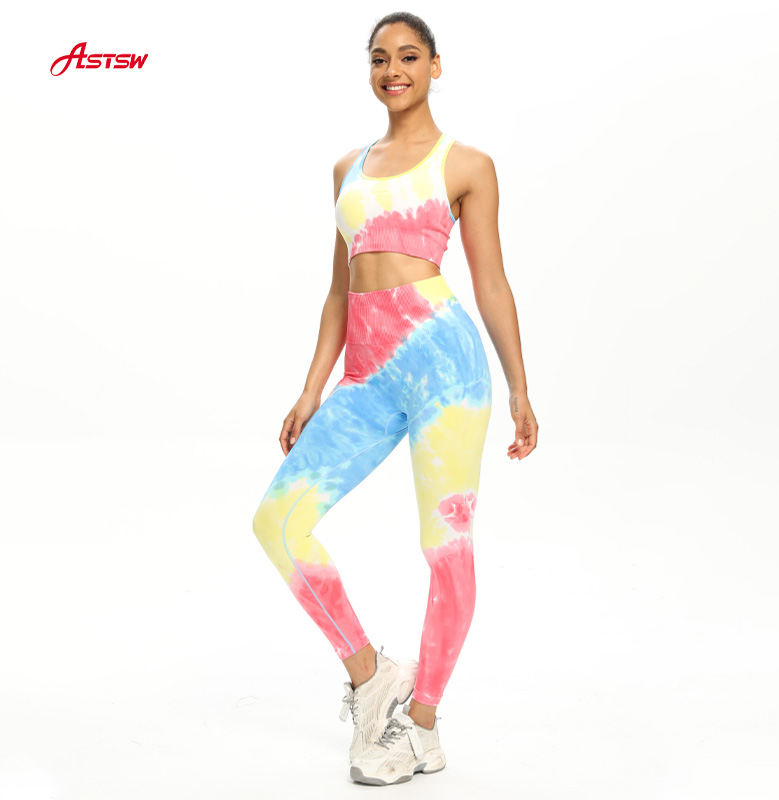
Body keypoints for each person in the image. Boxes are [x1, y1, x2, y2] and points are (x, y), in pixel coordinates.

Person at [251, 11, 538, 786]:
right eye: (379, 58)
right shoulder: (347, 167)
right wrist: (311, 388)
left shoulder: (466, 164)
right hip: (366, 374)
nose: (393, 70)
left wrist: (520, 386)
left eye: (409, 56)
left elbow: (491, 282)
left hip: (446, 369)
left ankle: (423, 724)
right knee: (278, 521)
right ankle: (372, 675)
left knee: (444, 547)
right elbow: (339, 289)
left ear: (435, 66)